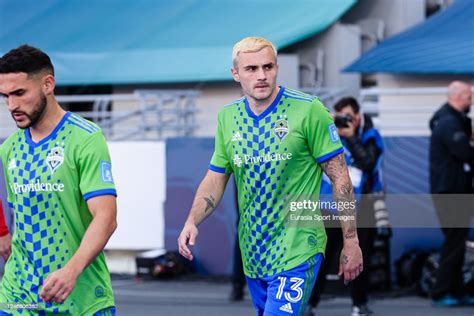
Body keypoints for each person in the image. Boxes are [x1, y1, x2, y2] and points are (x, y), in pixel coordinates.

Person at [178, 37, 363, 316]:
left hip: (299, 246)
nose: (262, 75)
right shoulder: (228, 117)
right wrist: (193, 220)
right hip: (254, 251)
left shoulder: (309, 110)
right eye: (251, 69)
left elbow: (341, 178)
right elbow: (215, 177)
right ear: (235, 74)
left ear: (277, 67)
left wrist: (351, 240)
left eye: (268, 67)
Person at [0, 45, 117, 315]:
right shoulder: (9, 149)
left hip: (81, 297)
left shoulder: (86, 138)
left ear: (47, 84)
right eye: (5, 96)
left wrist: (71, 270)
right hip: (19, 296)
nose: (11, 105)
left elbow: (106, 217)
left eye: (19, 93)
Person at [305, 97, 384, 316]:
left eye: (348, 117)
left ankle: (359, 304)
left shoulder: (370, 137)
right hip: (330, 206)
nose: (344, 122)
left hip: (363, 208)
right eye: (340, 117)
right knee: (321, 257)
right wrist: (326, 125)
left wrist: (351, 139)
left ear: (358, 117)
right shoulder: (327, 137)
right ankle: (309, 304)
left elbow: (369, 162)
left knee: (360, 257)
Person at [429, 80, 474, 307]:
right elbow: (465, 152)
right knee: (454, 242)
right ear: (457, 96)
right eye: (469, 96)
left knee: (458, 241)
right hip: (450, 191)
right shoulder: (447, 122)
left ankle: (456, 291)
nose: (471, 101)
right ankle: (441, 292)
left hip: (458, 190)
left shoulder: (457, 120)